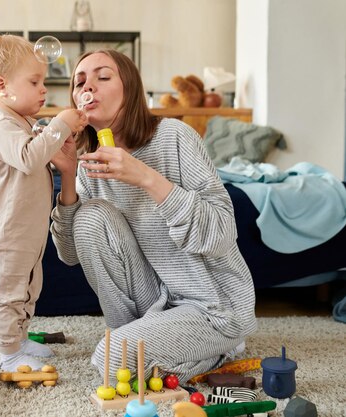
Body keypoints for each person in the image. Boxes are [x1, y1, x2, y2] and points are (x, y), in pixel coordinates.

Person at [49, 49, 257, 384]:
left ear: (129, 89)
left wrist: (146, 177)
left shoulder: (174, 136)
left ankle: (219, 346)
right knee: (89, 217)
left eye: (103, 77)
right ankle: (142, 338)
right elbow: (71, 255)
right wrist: (69, 176)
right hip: (153, 300)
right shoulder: (90, 165)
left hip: (214, 305)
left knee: (109, 359)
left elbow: (221, 232)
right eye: (80, 83)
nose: (89, 88)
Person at [0, 34, 87, 372]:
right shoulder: (1, 124)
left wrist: (59, 139)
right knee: (9, 295)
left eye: (44, 81)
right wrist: (61, 123)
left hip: (26, 232)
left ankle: (20, 341)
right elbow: (28, 159)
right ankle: (8, 354)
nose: (43, 89)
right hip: (7, 234)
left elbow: (38, 156)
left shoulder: (20, 123)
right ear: (2, 86)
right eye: (35, 81)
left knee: (27, 289)